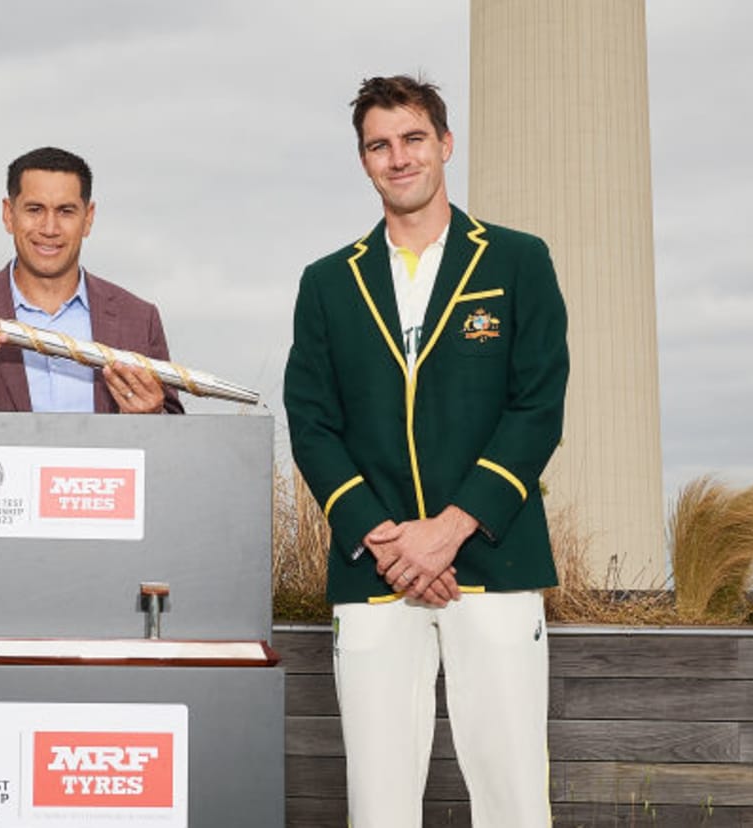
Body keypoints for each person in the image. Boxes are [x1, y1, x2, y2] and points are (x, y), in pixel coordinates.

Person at [283, 75, 568, 826]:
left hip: (494, 565)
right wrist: (385, 540)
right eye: (379, 145)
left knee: (512, 793)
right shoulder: (326, 283)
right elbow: (311, 420)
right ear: (364, 161)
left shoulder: (517, 261)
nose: (397, 157)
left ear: (445, 144)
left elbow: (537, 408)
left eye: (413, 139)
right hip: (375, 572)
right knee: (378, 800)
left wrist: (448, 531)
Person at [0, 147, 183, 414]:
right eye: (34, 210)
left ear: (88, 218)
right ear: (9, 215)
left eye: (65, 211)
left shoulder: (138, 319)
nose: (49, 228)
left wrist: (152, 417)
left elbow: (177, 441)